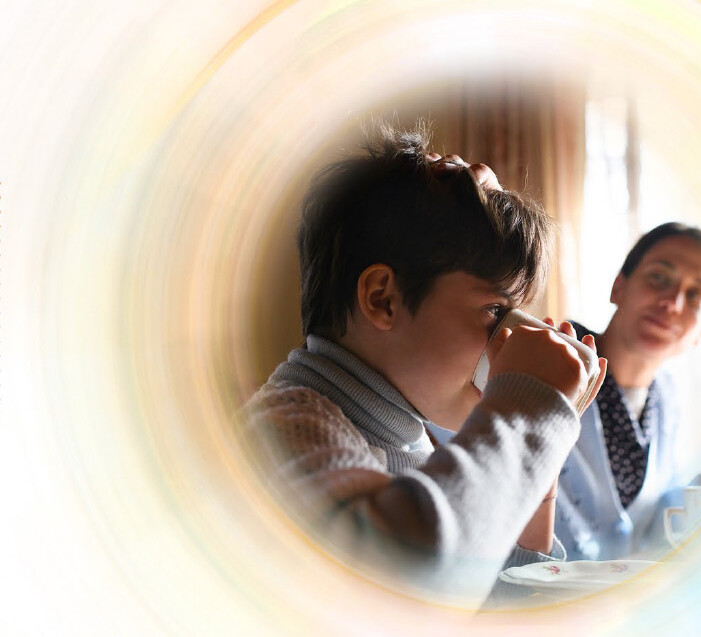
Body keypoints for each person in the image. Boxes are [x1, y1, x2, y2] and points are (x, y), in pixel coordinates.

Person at [242, 124, 605, 607]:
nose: (510, 338)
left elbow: (497, 608)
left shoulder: (414, 438)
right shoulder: (286, 429)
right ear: (383, 299)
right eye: (496, 313)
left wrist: (540, 466)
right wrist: (529, 413)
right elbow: (409, 578)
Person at [554, 222, 701, 560]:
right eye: (659, 278)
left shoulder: (667, 402)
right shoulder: (548, 356)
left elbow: (653, 516)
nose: (673, 303)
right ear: (619, 286)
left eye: (695, 296)